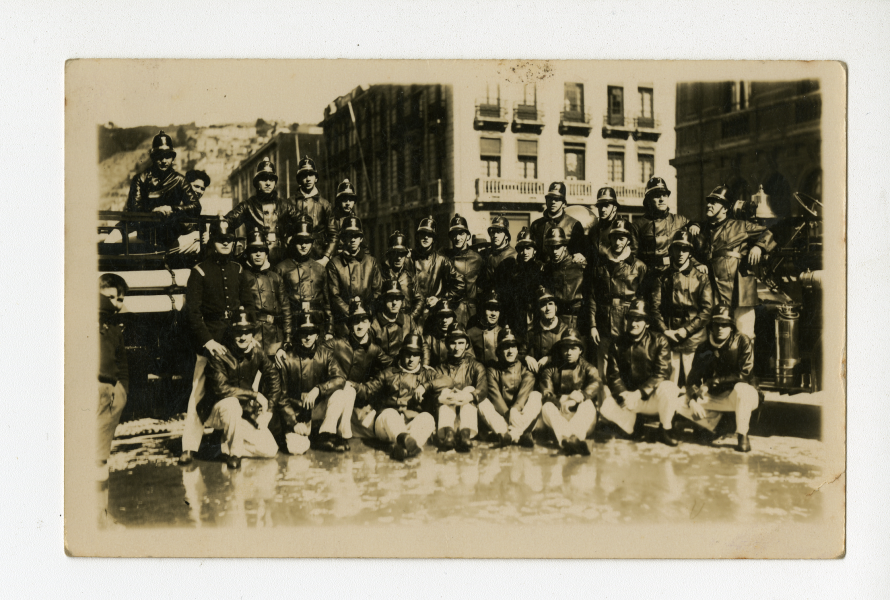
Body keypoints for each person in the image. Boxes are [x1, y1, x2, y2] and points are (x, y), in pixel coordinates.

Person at [180, 220, 256, 466]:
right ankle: (189, 447)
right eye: (221, 240)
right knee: (199, 392)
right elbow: (192, 312)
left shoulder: (238, 269)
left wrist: (249, 334)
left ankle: (233, 447)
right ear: (212, 242)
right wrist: (207, 341)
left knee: (240, 391)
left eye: (230, 240)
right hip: (211, 342)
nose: (226, 243)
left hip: (236, 342)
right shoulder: (200, 271)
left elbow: (250, 305)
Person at [201, 309, 282, 469]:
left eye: (247, 332)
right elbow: (222, 390)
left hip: (241, 413)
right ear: (232, 332)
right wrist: (255, 395)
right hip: (216, 412)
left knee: (270, 450)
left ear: (252, 334)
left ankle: (222, 445)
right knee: (231, 404)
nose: (243, 337)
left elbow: (273, 377)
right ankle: (234, 454)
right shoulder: (219, 353)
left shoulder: (257, 351)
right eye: (238, 332)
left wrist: (270, 409)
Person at [693, 185, 776, 340]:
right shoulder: (703, 228)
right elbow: (688, 251)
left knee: (745, 336)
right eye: (709, 202)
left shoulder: (740, 226)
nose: (709, 205)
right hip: (714, 292)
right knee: (715, 338)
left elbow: (768, 232)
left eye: (715, 202)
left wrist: (759, 247)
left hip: (740, 293)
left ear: (725, 208)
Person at [600, 299, 684, 446]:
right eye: (631, 318)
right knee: (605, 405)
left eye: (639, 319)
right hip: (629, 399)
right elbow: (613, 376)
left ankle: (665, 429)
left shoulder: (659, 341)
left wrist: (638, 393)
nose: (634, 323)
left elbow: (662, 373)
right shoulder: (617, 343)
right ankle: (633, 426)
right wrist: (622, 394)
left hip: (650, 399)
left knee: (669, 388)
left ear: (647, 323)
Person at [679, 304, 760, 452]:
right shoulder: (703, 348)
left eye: (725, 324)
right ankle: (713, 425)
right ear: (711, 326)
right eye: (717, 324)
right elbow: (692, 380)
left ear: (731, 327)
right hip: (715, 398)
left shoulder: (743, 341)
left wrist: (711, 383)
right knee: (678, 401)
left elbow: (745, 374)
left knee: (744, 390)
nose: (721, 328)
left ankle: (742, 434)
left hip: (737, 396)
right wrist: (692, 400)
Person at [365, 334, 453, 461]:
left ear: (421, 357)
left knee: (428, 418)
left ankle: (404, 448)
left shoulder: (426, 374)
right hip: (386, 427)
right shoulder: (389, 372)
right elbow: (368, 389)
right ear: (401, 354)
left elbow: (448, 381)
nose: (411, 359)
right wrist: (354, 387)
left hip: (412, 423)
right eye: (408, 354)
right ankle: (403, 439)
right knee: (390, 413)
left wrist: (425, 386)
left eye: (415, 354)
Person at [275, 312, 354, 454]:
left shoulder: (325, 354)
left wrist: (318, 389)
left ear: (317, 335)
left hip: (317, 410)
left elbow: (340, 379)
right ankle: (313, 437)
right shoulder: (287, 359)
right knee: (297, 449)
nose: (307, 337)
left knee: (346, 389)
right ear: (298, 335)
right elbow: (281, 396)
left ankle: (325, 434)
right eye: (303, 333)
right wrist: (293, 422)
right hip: (298, 414)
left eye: (311, 333)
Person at [648, 230, 714, 385]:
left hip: (694, 337)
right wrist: (665, 331)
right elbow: (654, 309)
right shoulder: (662, 278)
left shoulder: (701, 278)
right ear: (671, 251)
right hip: (670, 335)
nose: (681, 253)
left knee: (693, 382)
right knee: (670, 382)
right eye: (678, 248)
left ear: (690, 252)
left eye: (685, 249)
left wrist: (686, 330)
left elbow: (706, 311)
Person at [323, 298, 393, 438]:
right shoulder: (337, 344)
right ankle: (337, 432)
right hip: (332, 400)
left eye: (364, 321)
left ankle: (344, 429)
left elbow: (394, 366)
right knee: (344, 392)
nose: (360, 326)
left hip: (358, 404)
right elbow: (315, 355)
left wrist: (370, 385)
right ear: (349, 324)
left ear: (369, 323)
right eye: (355, 321)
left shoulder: (374, 350)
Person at [124, 130, 201, 250]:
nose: (164, 161)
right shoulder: (141, 179)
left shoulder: (180, 180)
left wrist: (172, 209)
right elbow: (134, 209)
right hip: (143, 237)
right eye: (160, 156)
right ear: (153, 158)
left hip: (171, 239)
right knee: (110, 245)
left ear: (173, 158)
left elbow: (196, 207)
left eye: (167, 156)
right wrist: (153, 210)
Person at [589, 219, 648, 373]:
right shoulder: (600, 266)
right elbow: (592, 297)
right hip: (604, 322)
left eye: (622, 238)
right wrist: (593, 325)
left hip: (627, 323)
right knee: (603, 367)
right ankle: (603, 397)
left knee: (626, 366)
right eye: (614, 237)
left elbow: (644, 297)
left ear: (628, 240)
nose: (617, 242)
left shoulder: (639, 266)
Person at [539, 329, 601, 456]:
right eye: (565, 348)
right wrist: (563, 399)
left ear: (580, 351)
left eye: (573, 348)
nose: (569, 353)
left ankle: (570, 439)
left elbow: (596, 383)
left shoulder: (588, 368)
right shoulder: (551, 369)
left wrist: (581, 395)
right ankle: (572, 441)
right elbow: (547, 393)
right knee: (547, 406)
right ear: (561, 350)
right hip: (560, 414)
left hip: (579, 416)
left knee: (588, 405)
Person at [274, 213, 334, 340]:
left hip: (317, 325)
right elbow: (278, 304)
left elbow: (327, 303)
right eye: (299, 242)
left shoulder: (320, 269)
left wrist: (329, 330)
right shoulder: (281, 268)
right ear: (293, 242)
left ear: (312, 243)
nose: (303, 246)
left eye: (307, 242)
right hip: (293, 325)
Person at [224, 157, 295, 265]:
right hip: (254, 263)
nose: (268, 183)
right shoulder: (248, 206)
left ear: (275, 183)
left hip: (281, 261)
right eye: (263, 179)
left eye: (271, 179)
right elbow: (226, 222)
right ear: (257, 183)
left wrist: (291, 237)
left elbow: (304, 220)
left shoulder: (284, 205)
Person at [481, 326, 542, 448]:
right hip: (502, 417)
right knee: (482, 403)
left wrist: (514, 411)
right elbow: (495, 397)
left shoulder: (526, 370)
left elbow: (523, 397)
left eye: (513, 346)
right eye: (506, 347)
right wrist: (508, 414)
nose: (510, 351)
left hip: (521, 416)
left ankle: (510, 435)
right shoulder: (492, 371)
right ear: (499, 351)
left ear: (517, 349)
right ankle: (518, 435)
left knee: (536, 396)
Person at [241, 230, 292, 367]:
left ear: (266, 253)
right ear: (248, 253)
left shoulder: (276, 278)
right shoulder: (242, 277)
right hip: (252, 336)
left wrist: (287, 337)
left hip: (274, 337)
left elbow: (286, 309)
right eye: (254, 250)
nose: (258, 254)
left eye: (261, 250)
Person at [435, 323, 488, 453]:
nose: (457, 347)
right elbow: (433, 393)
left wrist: (466, 397)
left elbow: (483, 388)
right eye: (453, 343)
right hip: (446, 418)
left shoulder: (476, 366)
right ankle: (449, 435)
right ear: (447, 345)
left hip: (469, 419)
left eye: (460, 343)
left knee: (469, 390)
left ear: (466, 345)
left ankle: (465, 435)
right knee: (445, 391)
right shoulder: (440, 368)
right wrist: (445, 398)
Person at [326, 215, 383, 337]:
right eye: (349, 235)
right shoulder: (334, 264)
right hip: (344, 323)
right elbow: (334, 295)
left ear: (361, 239)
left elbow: (378, 292)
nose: (353, 240)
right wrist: (351, 313)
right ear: (343, 238)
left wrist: (367, 313)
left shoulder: (371, 262)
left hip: (367, 320)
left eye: (356, 236)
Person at [97, 274, 129, 482]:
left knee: (102, 434)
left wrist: (123, 389)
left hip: (112, 386)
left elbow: (122, 362)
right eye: (110, 298)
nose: (116, 304)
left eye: (119, 299)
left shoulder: (116, 327)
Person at [635, 176, 699, 280]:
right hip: (650, 277)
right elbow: (633, 258)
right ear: (648, 200)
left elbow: (691, 248)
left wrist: (695, 225)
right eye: (657, 196)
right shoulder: (638, 224)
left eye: (664, 195)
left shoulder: (679, 220)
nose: (661, 199)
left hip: (674, 275)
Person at [407, 215, 464, 329]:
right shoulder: (409, 258)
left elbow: (460, 284)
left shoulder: (441, 260)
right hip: (411, 314)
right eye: (423, 234)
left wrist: (440, 298)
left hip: (433, 316)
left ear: (434, 239)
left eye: (430, 235)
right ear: (418, 237)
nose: (426, 238)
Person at [540, 226, 592, 332]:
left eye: (558, 247)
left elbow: (590, 294)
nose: (554, 251)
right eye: (551, 247)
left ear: (564, 246)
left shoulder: (579, 264)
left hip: (578, 319)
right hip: (556, 319)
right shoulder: (547, 269)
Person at [291, 155, 338, 265]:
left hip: (318, 257)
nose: (308, 179)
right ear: (299, 179)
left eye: (311, 175)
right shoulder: (290, 203)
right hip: (295, 259)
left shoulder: (325, 205)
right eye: (304, 175)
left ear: (316, 178)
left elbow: (334, 235)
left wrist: (326, 258)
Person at [529, 182, 586, 261]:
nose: (553, 202)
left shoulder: (574, 225)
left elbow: (578, 254)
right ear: (546, 201)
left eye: (557, 199)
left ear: (563, 203)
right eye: (550, 198)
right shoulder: (536, 225)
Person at [586, 186, 638, 270]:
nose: (602, 209)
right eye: (600, 206)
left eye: (606, 206)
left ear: (615, 208)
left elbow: (633, 253)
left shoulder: (624, 227)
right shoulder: (593, 230)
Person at [370, 278, 422, 363]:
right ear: (384, 300)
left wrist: (424, 364)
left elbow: (422, 343)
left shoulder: (408, 320)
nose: (394, 303)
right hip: (383, 371)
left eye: (398, 298)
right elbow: (372, 354)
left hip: (407, 366)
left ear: (402, 301)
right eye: (390, 298)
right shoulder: (374, 325)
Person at [446, 213, 484, 327]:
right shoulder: (445, 258)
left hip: (473, 311)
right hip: (452, 310)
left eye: (461, 234)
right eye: (454, 234)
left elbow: (483, 285)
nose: (457, 238)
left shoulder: (477, 259)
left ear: (468, 236)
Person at [505, 226, 544, 335]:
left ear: (534, 250)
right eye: (522, 249)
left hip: (535, 318)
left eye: (528, 248)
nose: (525, 252)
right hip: (516, 319)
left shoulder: (541, 269)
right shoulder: (512, 270)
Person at [523, 286, 568, 374]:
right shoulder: (532, 332)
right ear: (538, 309)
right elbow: (519, 352)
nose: (548, 308)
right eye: (543, 305)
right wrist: (526, 357)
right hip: (537, 374)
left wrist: (550, 358)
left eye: (550, 304)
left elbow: (571, 355)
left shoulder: (565, 330)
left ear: (556, 307)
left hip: (559, 374)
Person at [477, 215, 517, 310]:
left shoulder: (514, 256)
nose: (495, 236)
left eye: (499, 232)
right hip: (488, 303)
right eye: (493, 232)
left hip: (506, 305)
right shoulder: (485, 254)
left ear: (506, 235)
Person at [380, 230, 422, 319]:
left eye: (402, 254)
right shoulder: (381, 275)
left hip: (407, 320)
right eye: (395, 254)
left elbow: (419, 299)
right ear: (389, 255)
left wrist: (410, 319)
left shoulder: (411, 276)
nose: (399, 258)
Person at [467, 290, 504, 369]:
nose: (493, 314)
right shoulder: (471, 333)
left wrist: (526, 358)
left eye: (497, 310)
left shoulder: (503, 332)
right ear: (483, 310)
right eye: (490, 309)